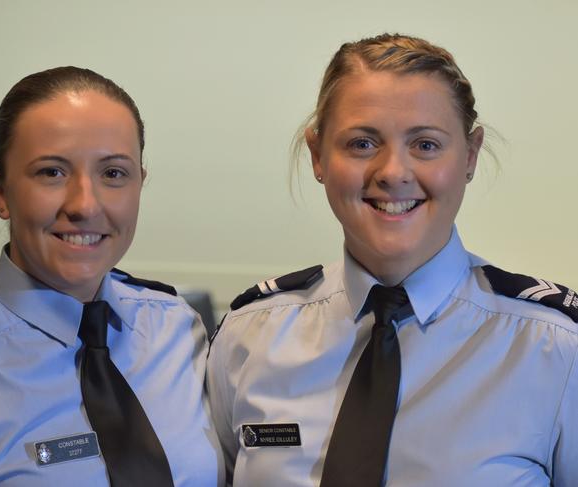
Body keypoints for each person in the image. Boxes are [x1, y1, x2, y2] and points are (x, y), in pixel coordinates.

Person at [207, 34, 578, 486]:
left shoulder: (553, 348)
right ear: (318, 154)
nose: (392, 172)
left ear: (471, 154)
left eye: (425, 145)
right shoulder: (250, 335)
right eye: (362, 143)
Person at [0, 67, 224, 486]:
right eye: (52, 172)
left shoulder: (178, 331)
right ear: (0, 192)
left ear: (140, 184)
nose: (85, 204)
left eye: (113, 173)